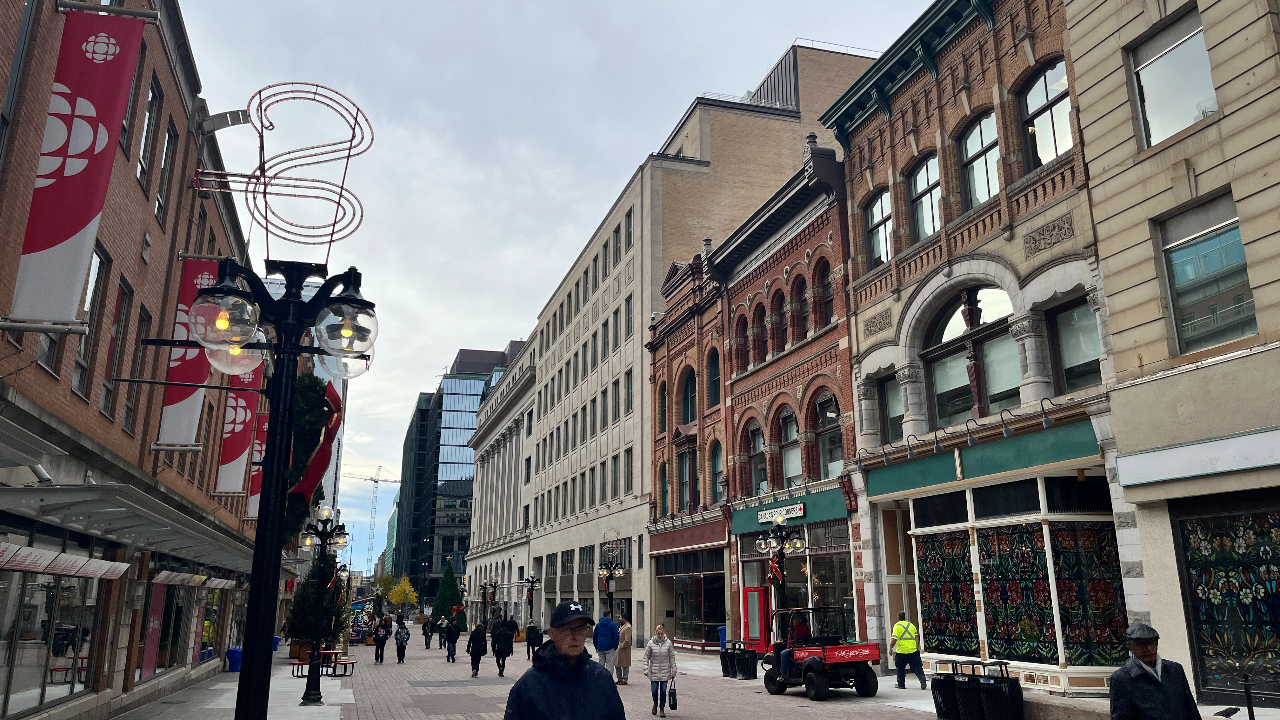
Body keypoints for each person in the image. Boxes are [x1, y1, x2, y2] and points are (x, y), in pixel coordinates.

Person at [503, 601, 625, 720]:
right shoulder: (529, 686)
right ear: (552, 633)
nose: (575, 636)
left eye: (581, 629)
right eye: (568, 629)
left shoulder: (601, 678)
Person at [1109, 624, 1201, 720]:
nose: (1149, 649)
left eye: (1152, 643)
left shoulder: (1175, 669)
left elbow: (1191, 708)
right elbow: (1120, 717)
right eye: (1142, 644)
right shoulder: (1121, 678)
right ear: (1131, 646)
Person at [643, 623, 677, 718]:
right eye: (658, 634)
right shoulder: (651, 643)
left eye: (661, 634)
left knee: (663, 691)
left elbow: (672, 657)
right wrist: (646, 669)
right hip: (654, 671)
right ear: (656, 633)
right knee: (654, 690)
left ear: (664, 633)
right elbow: (646, 657)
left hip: (665, 671)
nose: (660, 635)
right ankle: (655, 703)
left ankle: (662, 708)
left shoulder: (668, 643)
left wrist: (674, 670)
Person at [890, 611, 927, 690]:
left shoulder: (897, 626)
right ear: (905, 617)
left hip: (901, 651)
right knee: (917, 667)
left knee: (900, 669)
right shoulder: (911, 625)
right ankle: (922, 677)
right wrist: (916, 647)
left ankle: (901, 684)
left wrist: (891, 647)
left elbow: (894, 639)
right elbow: (917, 637)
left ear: (898, 617)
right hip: (913, 651)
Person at [593, 610, 620, 678]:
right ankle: (608, 679)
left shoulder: (598, 625)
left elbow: (595, 636)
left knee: (601, 663)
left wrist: (596, 646)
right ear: (610, 616)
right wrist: (615, 646)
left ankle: (600, 678)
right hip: (610, 646)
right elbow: (616, 636)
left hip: (600, 646)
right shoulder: (612, 625)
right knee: (610, 664)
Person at [615, 615, 632, 685]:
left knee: (625, 664)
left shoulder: (628, 627)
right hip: (619, 649)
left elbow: (627, 640)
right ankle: (619, 678)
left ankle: (625, 679)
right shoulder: (623, 626)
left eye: (620, 617)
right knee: (617, 664)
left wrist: (621, 646)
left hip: (624, 650)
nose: (619, 619)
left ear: (624, 618)